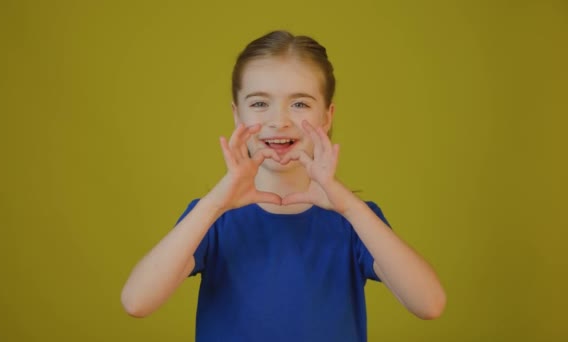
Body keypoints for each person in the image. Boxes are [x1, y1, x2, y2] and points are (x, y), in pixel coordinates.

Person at [121, 30, 446, 341]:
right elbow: (137, 301)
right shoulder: (212, 218)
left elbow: (429, 305)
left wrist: (350, 207)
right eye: (260, 103)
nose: (279, 120)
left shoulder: (354, 221)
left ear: (327, 117)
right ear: (237, 116)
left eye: (300, 104)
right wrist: (215, 203)